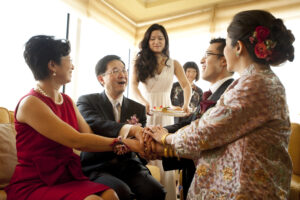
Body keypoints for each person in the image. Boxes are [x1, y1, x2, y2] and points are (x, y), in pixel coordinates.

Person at [146, 10, 295, 199]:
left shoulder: (255, 83)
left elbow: (204, 132)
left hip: (245, 190)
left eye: (227, 43)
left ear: (238, 47)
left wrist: (166, 138)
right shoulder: (255, 81)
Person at [3, 35, 147, 200]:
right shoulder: (31, 104)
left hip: (65, 177)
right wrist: (127, 143)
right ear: (52, 65)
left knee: (110, 195)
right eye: (69, 60)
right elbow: (77, 141)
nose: (73, 66)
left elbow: (89, 136)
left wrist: (125, 144)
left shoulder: (67, 101)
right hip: (36, 181)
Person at [77, 55, 165, 200]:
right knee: (122, 193)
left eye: (124, 70)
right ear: (101, 79)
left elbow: (141, 140)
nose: (122, 74)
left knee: (156, 191)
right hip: (99, 166)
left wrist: (145, 151)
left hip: (129, 165)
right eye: (115, 71)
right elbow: (96, 123)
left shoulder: (138, 108)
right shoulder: (87, 101)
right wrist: (130, 129)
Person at [163, 38, 234, 200]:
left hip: (210, 181)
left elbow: (203, 141)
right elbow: (190, 122)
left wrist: (162, 140)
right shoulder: (211, 94)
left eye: (207, 55)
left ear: (224, 61)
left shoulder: (229, 95)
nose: (201, 60)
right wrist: (160, 130)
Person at [131, 23, 192, 200]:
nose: (157, 41)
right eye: (153, 38)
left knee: (164, 150)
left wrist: (185, 105)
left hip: (166, 112)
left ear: (166, 41)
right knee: (146, 148)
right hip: (146, 110)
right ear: (147, 41)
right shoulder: (140, 62)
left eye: (160, 38)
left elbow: (186, 86)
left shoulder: (174, 64)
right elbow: (133, 86)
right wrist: (143, 101)